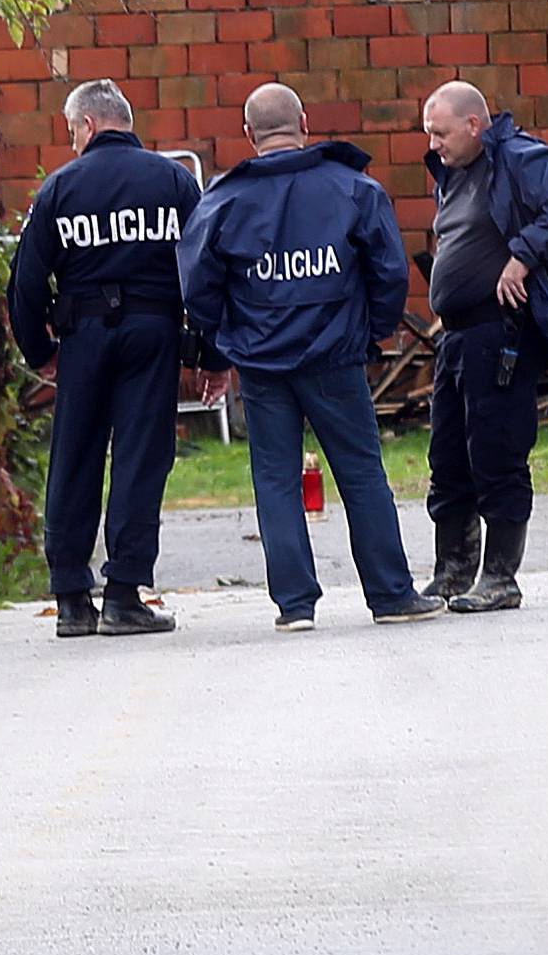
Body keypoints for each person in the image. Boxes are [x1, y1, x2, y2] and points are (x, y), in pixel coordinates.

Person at [178, 82, 436, 632]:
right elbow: (389, 272)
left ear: (249, 134)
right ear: (305, 120)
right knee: (362, 473)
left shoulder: (223, 199)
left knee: (275, 479)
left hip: (261, 364)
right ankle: (391, 596)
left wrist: (227, 338)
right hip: (335, 358)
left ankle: (295, 605)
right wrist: (371, 332)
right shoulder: (353, 188)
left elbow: (198, 286)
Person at [6, 78, 213, 639]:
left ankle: (72, 599)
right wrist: (211, 356)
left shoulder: (59, 188)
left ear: (89, 126)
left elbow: (25, 284)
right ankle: (124, 594)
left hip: (83, 336)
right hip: (154, 332)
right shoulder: (174, 180)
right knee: (141, 458)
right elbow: (205, 270)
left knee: (74, 456)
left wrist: (41, 352)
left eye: (72, 130)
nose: (71, 141)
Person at [418, 81, 548, 612]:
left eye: (441, 132)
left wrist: (523, 254)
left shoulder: (519, 159)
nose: (433, 143)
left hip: (502, 336)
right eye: (428, 132)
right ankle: (452, 570)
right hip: (457, 338)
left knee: (496, 452)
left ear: (474, 125)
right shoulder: (455, 172)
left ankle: (499, 577)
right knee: (447, 457)